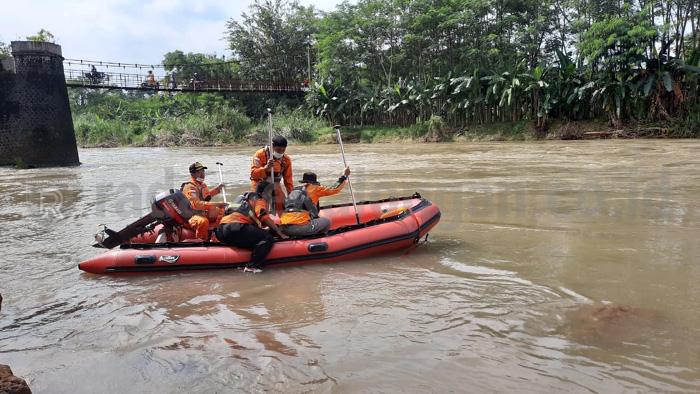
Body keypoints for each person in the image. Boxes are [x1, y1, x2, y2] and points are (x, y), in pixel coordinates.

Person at [216, 181, 288, 273]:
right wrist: (278, 231)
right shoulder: (259, 198)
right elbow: (262, 215)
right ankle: (252, 266)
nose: (270, 198)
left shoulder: (242, 198)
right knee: (267, 238)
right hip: (236, 228)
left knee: (258, 235)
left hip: (222, 230)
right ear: (263, 193)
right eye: (269, 194)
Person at [280, 167, 350, 237]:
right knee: (327, 221)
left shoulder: (295, 189)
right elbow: (335, 189)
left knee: (313, 217)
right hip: (299, 227)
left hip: (284, 226)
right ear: (314, 182)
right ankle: (320, 238)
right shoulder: (314, 188)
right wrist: (344, 176)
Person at [181, 162, 227, 240]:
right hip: (191, 216)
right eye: (199, 172)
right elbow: (196, 205)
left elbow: (207, 197)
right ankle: (201, 241)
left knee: (224, 210)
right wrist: (217, 204)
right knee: (203, 222)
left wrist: (217, 189)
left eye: (203, 171)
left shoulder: (202, 185)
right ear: (192, 174)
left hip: (202, 213)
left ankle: (216, 232)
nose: (202, 174)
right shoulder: (190, 187)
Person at [250, 135, 293, 214]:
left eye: (283, 150)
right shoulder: (260, 155)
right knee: (262, 209)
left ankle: (283, 222)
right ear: (272, 146)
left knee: (282, 205)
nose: (280, 153)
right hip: (260, 185)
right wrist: (265, 168)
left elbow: (288, 181)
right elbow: (253, 174)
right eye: (278, 150)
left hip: (275, 184)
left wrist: (292, 197)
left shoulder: (286, 160)